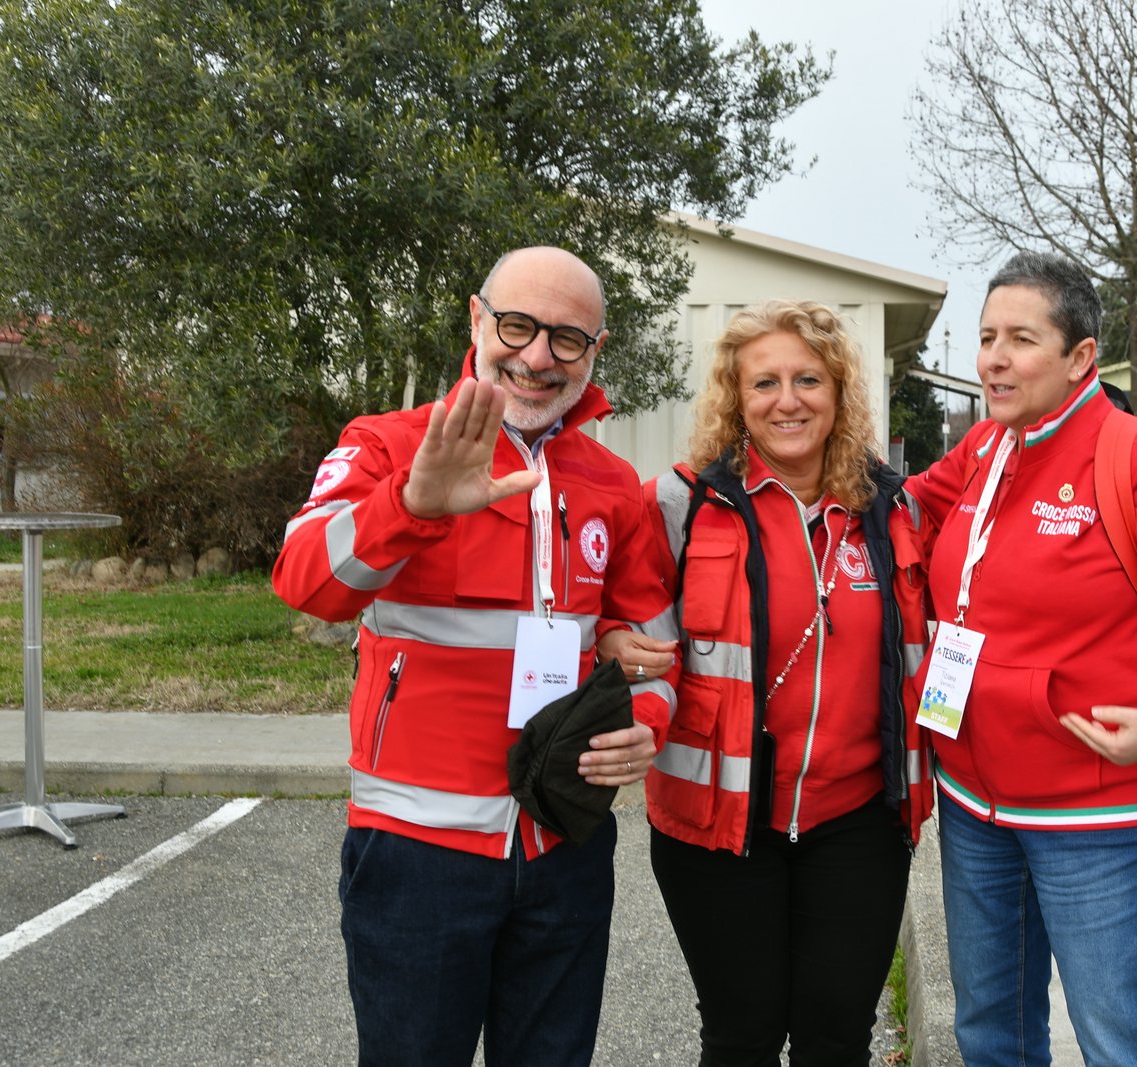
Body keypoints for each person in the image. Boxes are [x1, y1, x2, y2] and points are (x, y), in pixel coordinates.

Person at [271, 246, 679, 1067]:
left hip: (564, 842)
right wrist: (409, 506)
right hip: (417, 853)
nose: (537, 357)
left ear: (595, 350)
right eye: (518, 326)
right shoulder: (389, 445)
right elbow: (306, 580)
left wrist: (645, 723)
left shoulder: (612, 481)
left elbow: (652, 639)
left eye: (567, 338)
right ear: (477, 320)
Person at [905, 251, 1137, 1066]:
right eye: (986, 338)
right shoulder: (984, 447)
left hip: (1096, 818)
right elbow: (899, 509)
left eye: (1021, 340)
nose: (995, 359)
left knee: (1121, 1038)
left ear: (1081, 357)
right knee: (989, 1031)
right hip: (974, 803)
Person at [601, 299, 933, 1066]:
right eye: (765, 383)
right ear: (736, 398)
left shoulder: (894, 511)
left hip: (858, 824)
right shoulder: (680, 504)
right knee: (741, 1038)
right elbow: (629, 625)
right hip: (717, 827)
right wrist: (622, 666)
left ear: (839, 392)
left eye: (808, 379)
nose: (788, 401)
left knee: (836, 1040)